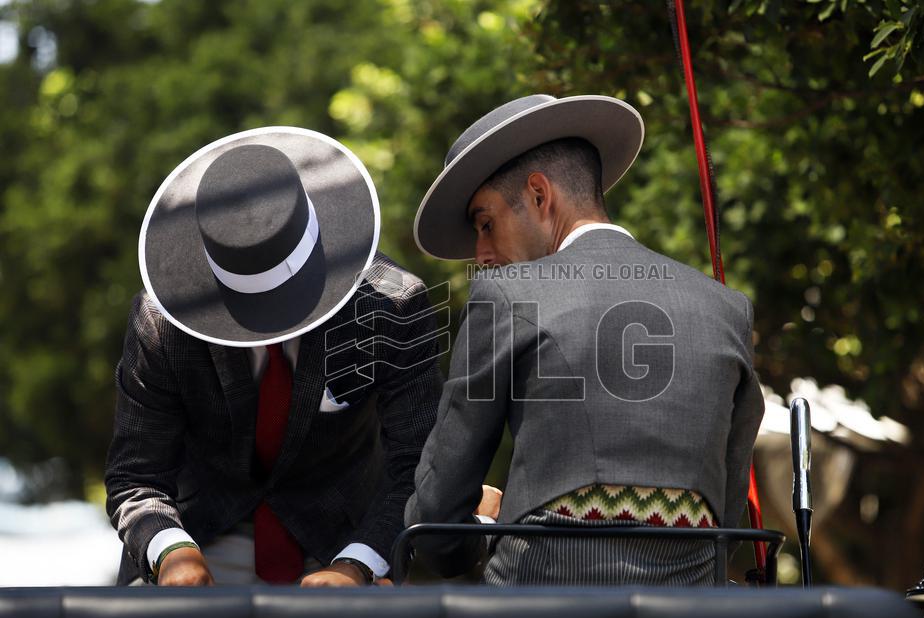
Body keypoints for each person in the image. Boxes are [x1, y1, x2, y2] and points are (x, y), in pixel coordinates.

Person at [405, 95, 765, 585]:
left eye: (486, 224)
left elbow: (437, 517)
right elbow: (725, 514)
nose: (481, 254)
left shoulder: (506, 296)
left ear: (538, 195)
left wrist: (486, 527)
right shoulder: (726, 308)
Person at [106, 127, 443, 586]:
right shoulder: (163, 321)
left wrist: (359, 564)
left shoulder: (391, 307)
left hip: (339, 540)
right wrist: (171, 551)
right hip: (200, 531)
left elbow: (418, 463)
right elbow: (135, 475)